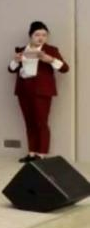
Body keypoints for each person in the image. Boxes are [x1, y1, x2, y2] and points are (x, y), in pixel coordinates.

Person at [8, 21, 70, 162]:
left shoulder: (51, 50)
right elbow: (11, 69)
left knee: (41, 122)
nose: (41, 38)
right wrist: (16, 61)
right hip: (24, 91)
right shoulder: (21, 50)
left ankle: (41, 154)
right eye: (37, 35)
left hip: (42, 91)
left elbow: (65, 68)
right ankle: (31, 153)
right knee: (29, 122)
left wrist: (50, 60)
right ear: (30, 36)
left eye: (44, 35)